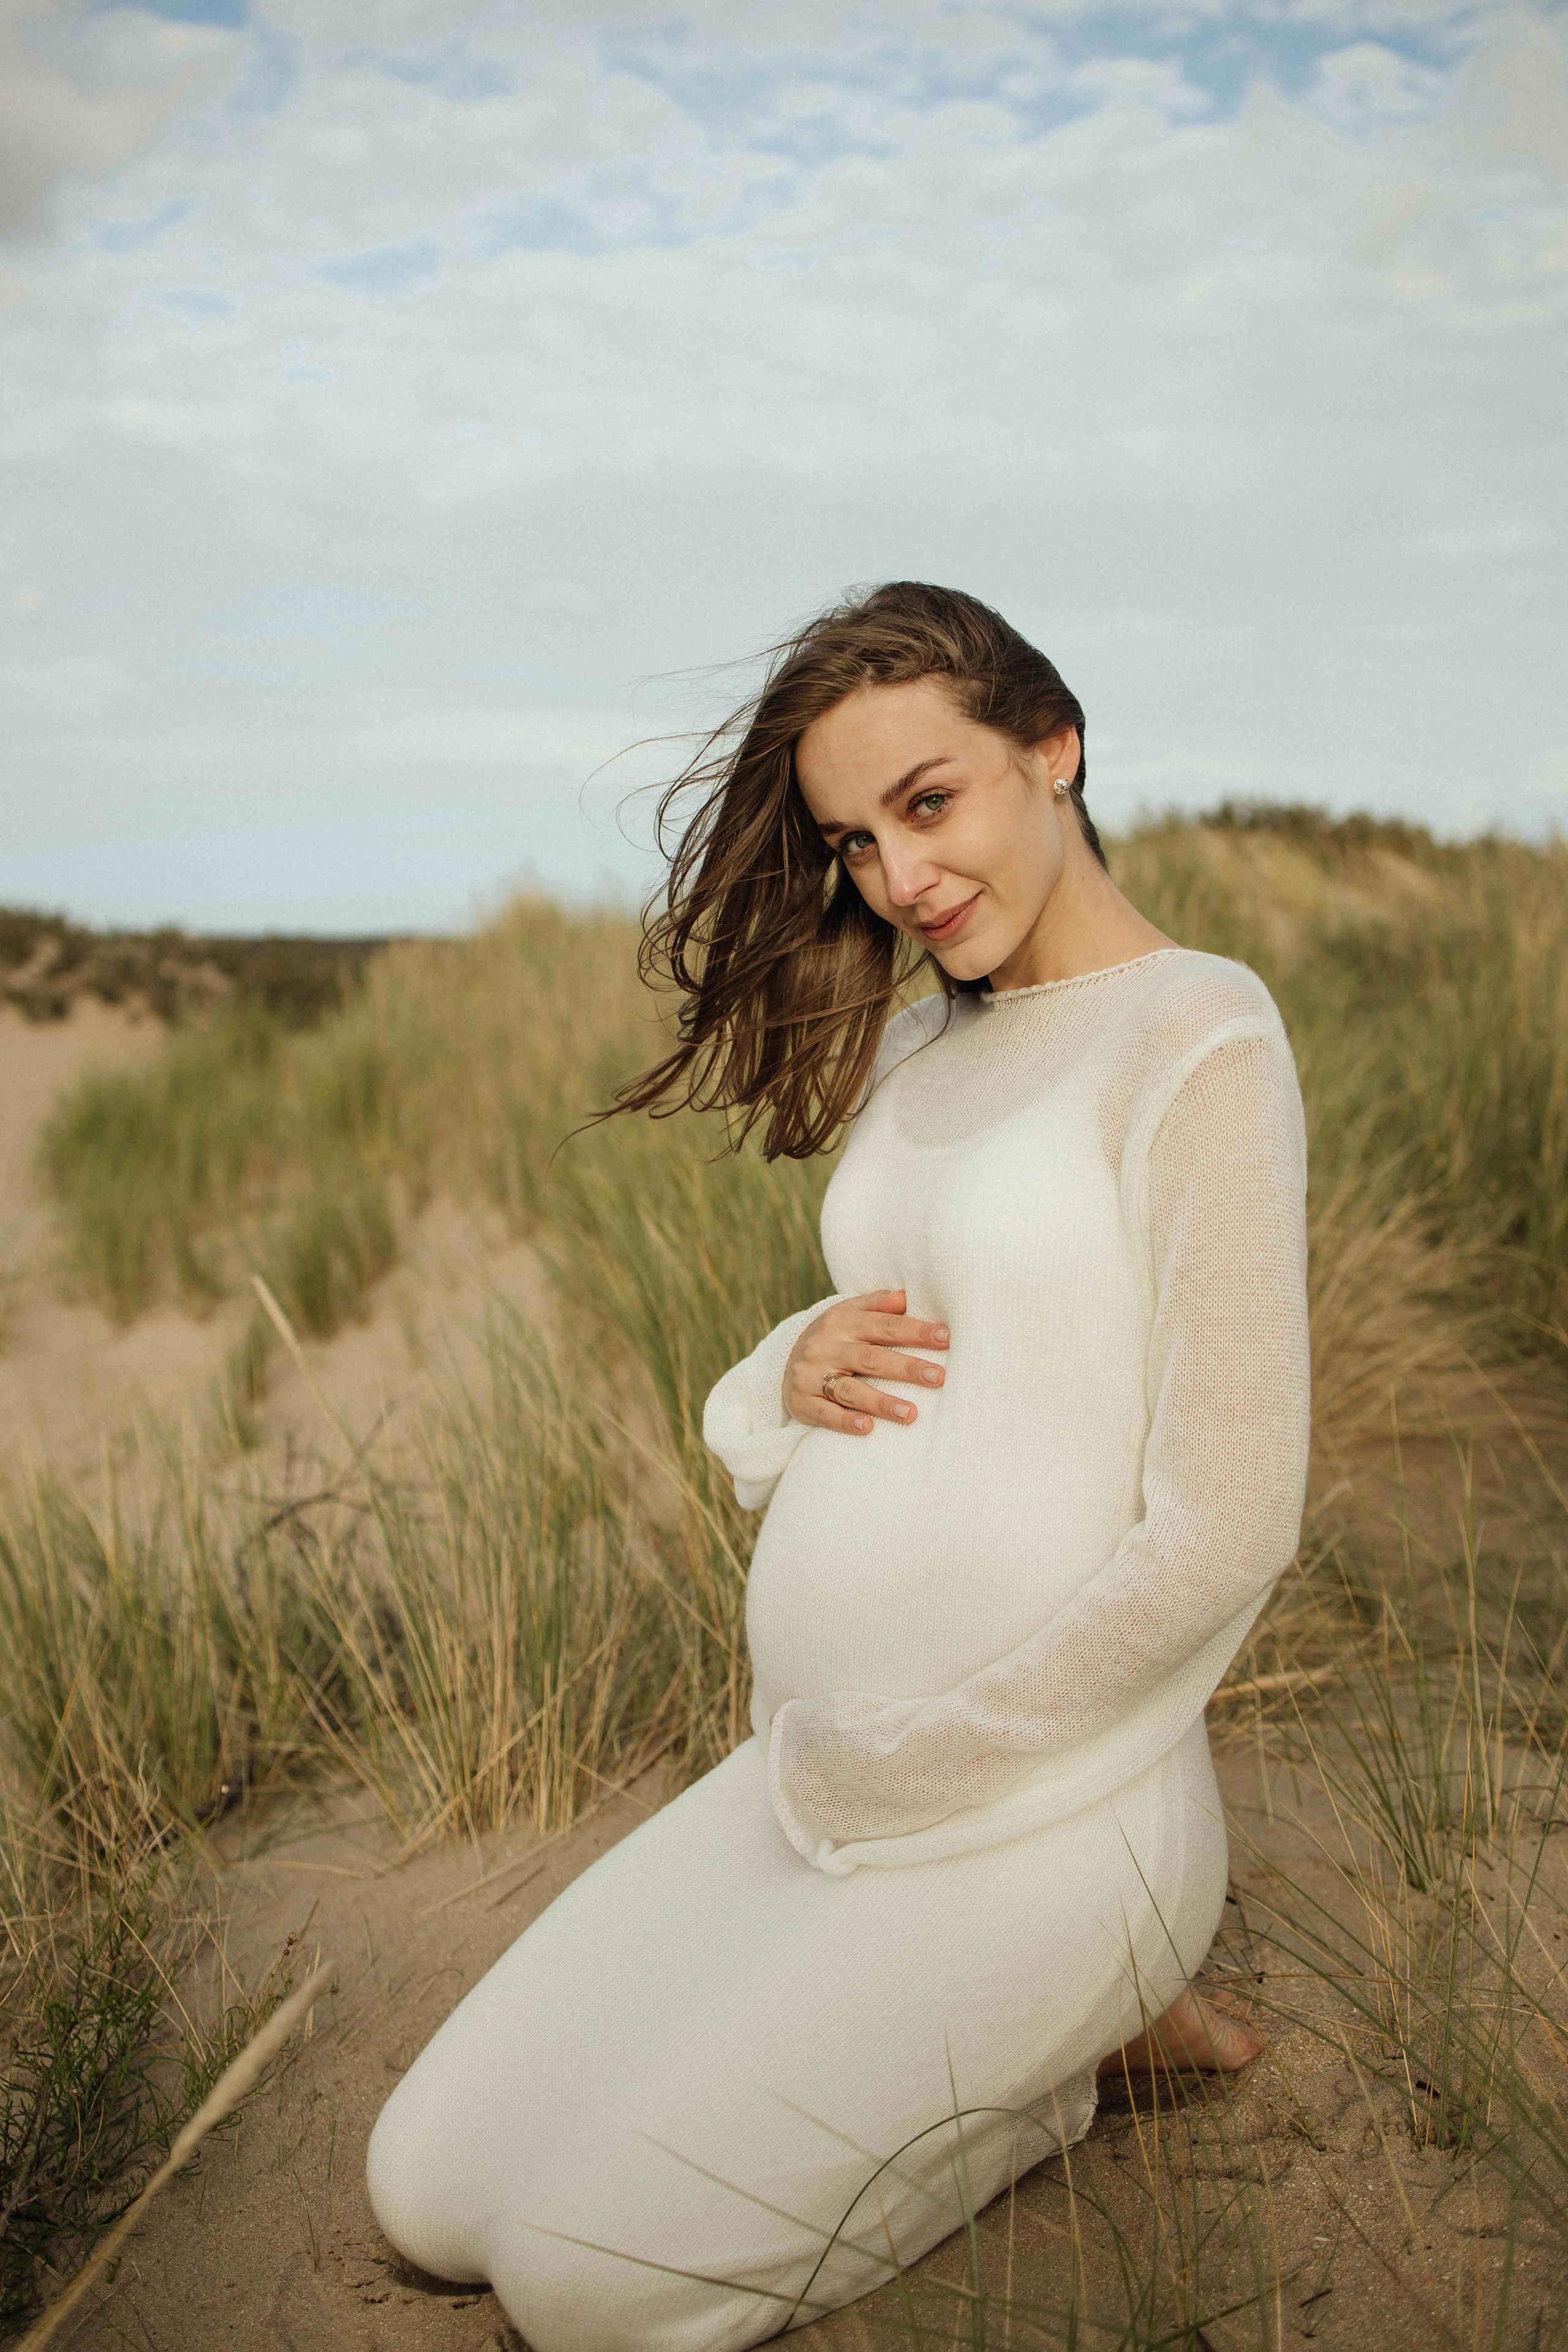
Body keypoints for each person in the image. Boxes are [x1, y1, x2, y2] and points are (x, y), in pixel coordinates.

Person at [366, 582, 1311, 2350]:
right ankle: (1032, 2044)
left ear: (1054, 747)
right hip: (817, 1780)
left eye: (929, 802)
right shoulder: (920, 1040)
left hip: (1038, 1810)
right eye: (855, 841)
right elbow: (929, 1327)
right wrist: (779, 1366)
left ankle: (1064, 2066)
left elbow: (1232, 1521)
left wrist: (914, 1766)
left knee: (583, 2287)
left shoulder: (1200, 1039)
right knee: (427, 2193)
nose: (899, 874)